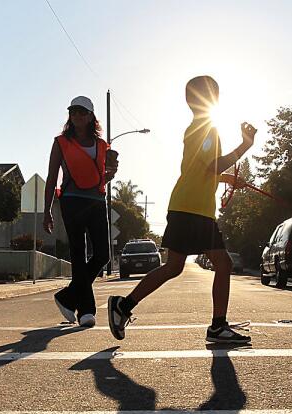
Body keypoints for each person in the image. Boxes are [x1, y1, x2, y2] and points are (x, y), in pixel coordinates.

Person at [107, 76, 255, 344]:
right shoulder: (206, 128)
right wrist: (245, 145)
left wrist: (228, 179)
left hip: (186, 206)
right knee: (223, 263)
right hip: (194, 210)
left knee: (174, 267)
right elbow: (212, 165)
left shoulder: (197, 128)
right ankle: (218, 326)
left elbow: (198, 170)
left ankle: (123, 306)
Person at [42, 95, 118, 327]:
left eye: (82, 112)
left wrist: (111, 174)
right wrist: (47, 211)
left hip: (96, 200)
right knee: (78, 252)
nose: (77, 116)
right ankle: (86, 310)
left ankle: (68, 296)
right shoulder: (61, 142)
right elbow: (52, 177)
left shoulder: (102, 145)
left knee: (103, 254)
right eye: (73, 112)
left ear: (91, 116)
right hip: (71, 200)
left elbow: (103, 175)